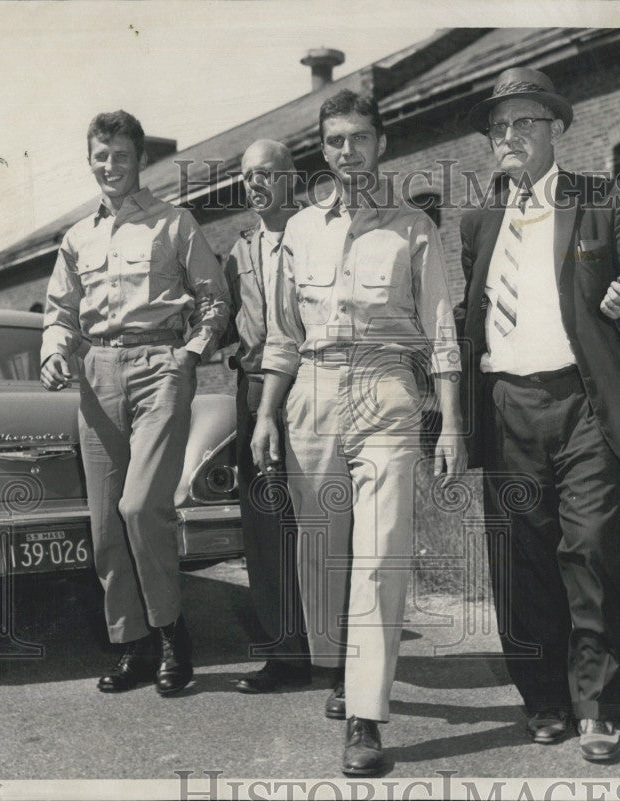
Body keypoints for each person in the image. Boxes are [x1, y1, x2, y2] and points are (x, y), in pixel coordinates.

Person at [457, 67, 620, 762]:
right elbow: (470, 321)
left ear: (554, 129)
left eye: (523, 122)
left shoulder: (604, 201)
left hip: (584, 404)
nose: (508, 137)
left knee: (593, 548)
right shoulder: (479, 220)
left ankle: (600, 706)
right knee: (521, 558)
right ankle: (543, 698)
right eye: (498, 127)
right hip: (507, 404)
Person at [251, 90, 465, 776]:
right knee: (327, 551)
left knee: (382, 551)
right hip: (310, 393)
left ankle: (367, 719)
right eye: (337, 140)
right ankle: (345, 667)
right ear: (324, 148)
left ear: (382, 145)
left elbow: (440, 333)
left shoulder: (412, 227)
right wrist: (263, 414)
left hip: (384, 387)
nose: (349, 152)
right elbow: (283, 337)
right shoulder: (301, 231)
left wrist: (452, 421)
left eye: (361, 139)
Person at [41, 110, 228, 696]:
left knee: (141, 506)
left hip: (158, 369)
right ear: (89, 158)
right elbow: (60, 312)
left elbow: (214, 300)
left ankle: (172, 632)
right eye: (101, 155)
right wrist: (55, 350)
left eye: (121, 155)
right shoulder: (77, 237)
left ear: (139, 160)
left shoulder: (175, 223)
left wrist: (190, 354)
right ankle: (133, 645)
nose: (110, 166)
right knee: (104, 523)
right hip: (97, 376)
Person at [225, 140, 311, 694]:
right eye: (248, 176)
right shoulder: (237, 252)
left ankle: (338, 651)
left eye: (267, 173)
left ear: (291, 178)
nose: (256, 184)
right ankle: (286, 652)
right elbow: (222, 323)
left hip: (312, 381)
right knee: (265, 522)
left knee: (320, 515)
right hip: (255, 386)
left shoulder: (318, 233)